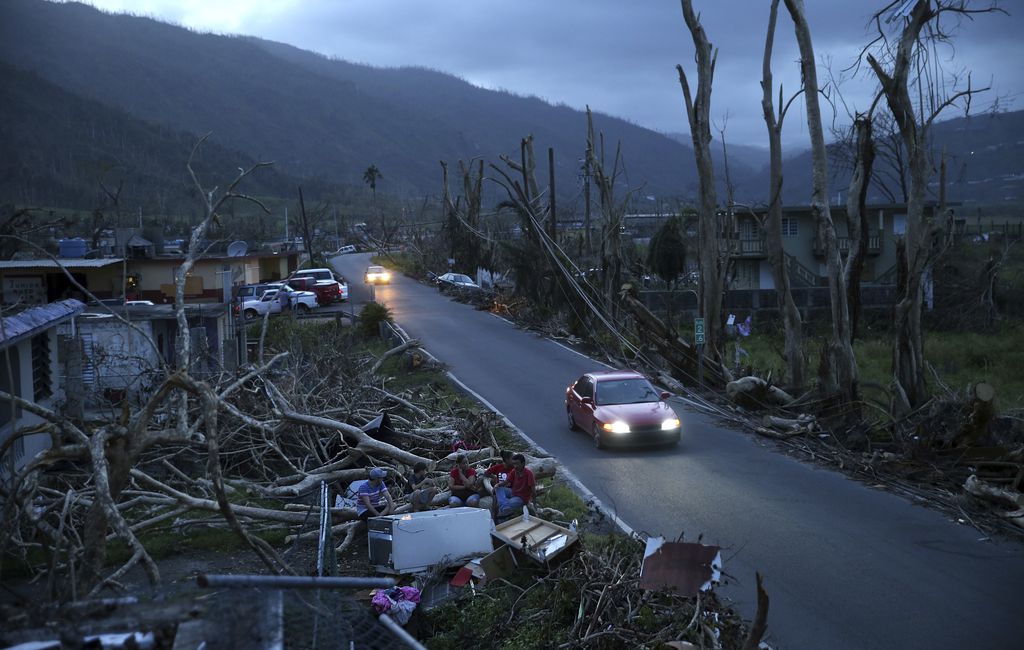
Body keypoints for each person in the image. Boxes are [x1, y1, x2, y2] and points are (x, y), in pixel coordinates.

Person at [495, 453, 535, 519]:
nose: (515, 466)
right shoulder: (514, 471)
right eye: (514, 464)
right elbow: (506, 482)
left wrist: (534, 503)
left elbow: (533, 490)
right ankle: (505, 507)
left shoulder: (528, 473)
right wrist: (498, 485)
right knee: (499, 489)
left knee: (505, 507)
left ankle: (503, 516)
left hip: (522, 498)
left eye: (517, 464)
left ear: (523, 463)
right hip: (513, 493)